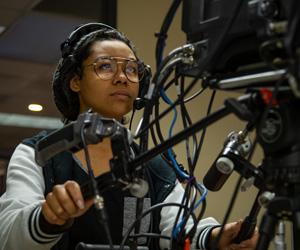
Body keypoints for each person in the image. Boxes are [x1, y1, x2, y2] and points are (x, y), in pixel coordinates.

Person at [0, 23, 259, 250]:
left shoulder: (155, 165)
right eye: (105, 66)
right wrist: (47, 219)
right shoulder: (38, 154)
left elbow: (179, 230)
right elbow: (8, 237)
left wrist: (216, 237)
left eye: (132, 69)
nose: (123, 78)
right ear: (75, 81)